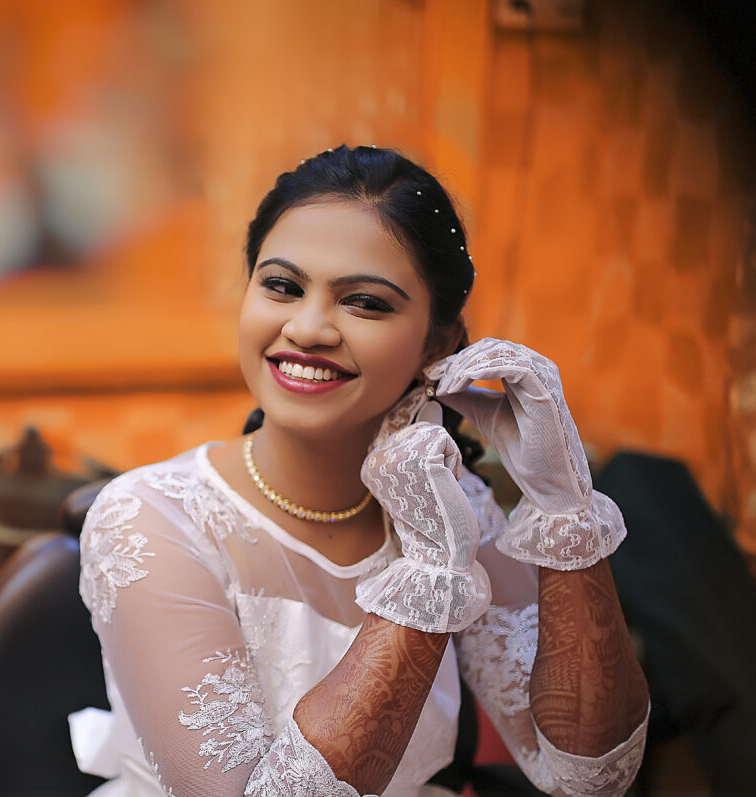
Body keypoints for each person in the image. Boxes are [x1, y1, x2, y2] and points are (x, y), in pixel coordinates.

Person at [70, 145, 650, 797]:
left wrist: (563, 502)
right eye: (282, 286)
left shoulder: (460, 510)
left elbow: (591, 775)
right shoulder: (150, 517)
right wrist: (428, 574)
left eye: (366, 302)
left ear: (437, 344)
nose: (308, 328)